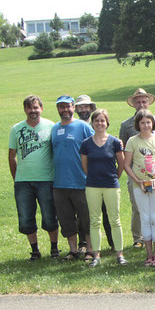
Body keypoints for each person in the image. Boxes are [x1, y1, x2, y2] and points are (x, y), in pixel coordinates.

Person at [8, 95, 59, 260]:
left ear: (41, 109)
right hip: (23, 182)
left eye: (36, 108)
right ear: (25, 110)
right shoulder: (16, 129)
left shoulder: (51, 126)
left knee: (50, 216)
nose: (33, 111)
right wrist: (16, 177)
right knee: (25, 218)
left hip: (46, 179)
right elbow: (11, 155)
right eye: (29, 108)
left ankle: (54, 248)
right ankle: (35, 250)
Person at [123, 109, 155, 267]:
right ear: (138, 124)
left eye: (148, 122)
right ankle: (148, 255)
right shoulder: (132, 141)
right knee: (145, 218)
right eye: (142, 122)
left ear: (153, 123)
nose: (146, 125)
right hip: (139, 185)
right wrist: (138, 181)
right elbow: (126, 164)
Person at [80, 109, 127, 267]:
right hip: (92, 186)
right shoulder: (86, 144)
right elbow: (84, 166)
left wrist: (114, 177)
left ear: (107, 123)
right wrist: (94, 177)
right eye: (96, 120)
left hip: (111, 185)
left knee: (115, 220)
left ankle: (119, 253)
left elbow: (121, 164)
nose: (100, 123)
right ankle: (96, 254)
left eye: (102, 120)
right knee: (94, 221)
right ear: (92, 123)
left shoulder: (114, 142)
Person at [119, 88, 155, 248]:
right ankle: (138, 238)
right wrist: (134, 176)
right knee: (137, 208)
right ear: (133, 104)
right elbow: (123, 150)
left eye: (144, 101)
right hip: (136, 174)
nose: (141, 104)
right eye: (138, 101)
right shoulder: (126, 125)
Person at [51, 95, 94, 261]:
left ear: (73, 107)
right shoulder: (54, 129)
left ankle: (90, 249)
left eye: (68, 106)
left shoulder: (83, 127)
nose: (65, 110)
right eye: (61, 107)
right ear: (57, 109)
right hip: (60, 183)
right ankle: (73, 250)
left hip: (81, 181)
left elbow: (96, 145)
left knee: (86, 218)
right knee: (66, 219)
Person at [74, 94, 114, 253]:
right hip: (82, 177)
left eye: (86, 107)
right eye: (80, 107)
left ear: (91, 108)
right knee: (84, 213)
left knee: (107, 212)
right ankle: (84, 244)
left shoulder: (95, 124)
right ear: (76, 109)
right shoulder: (73, 125)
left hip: (103, 176)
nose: (83, 109)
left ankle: (113, 243)